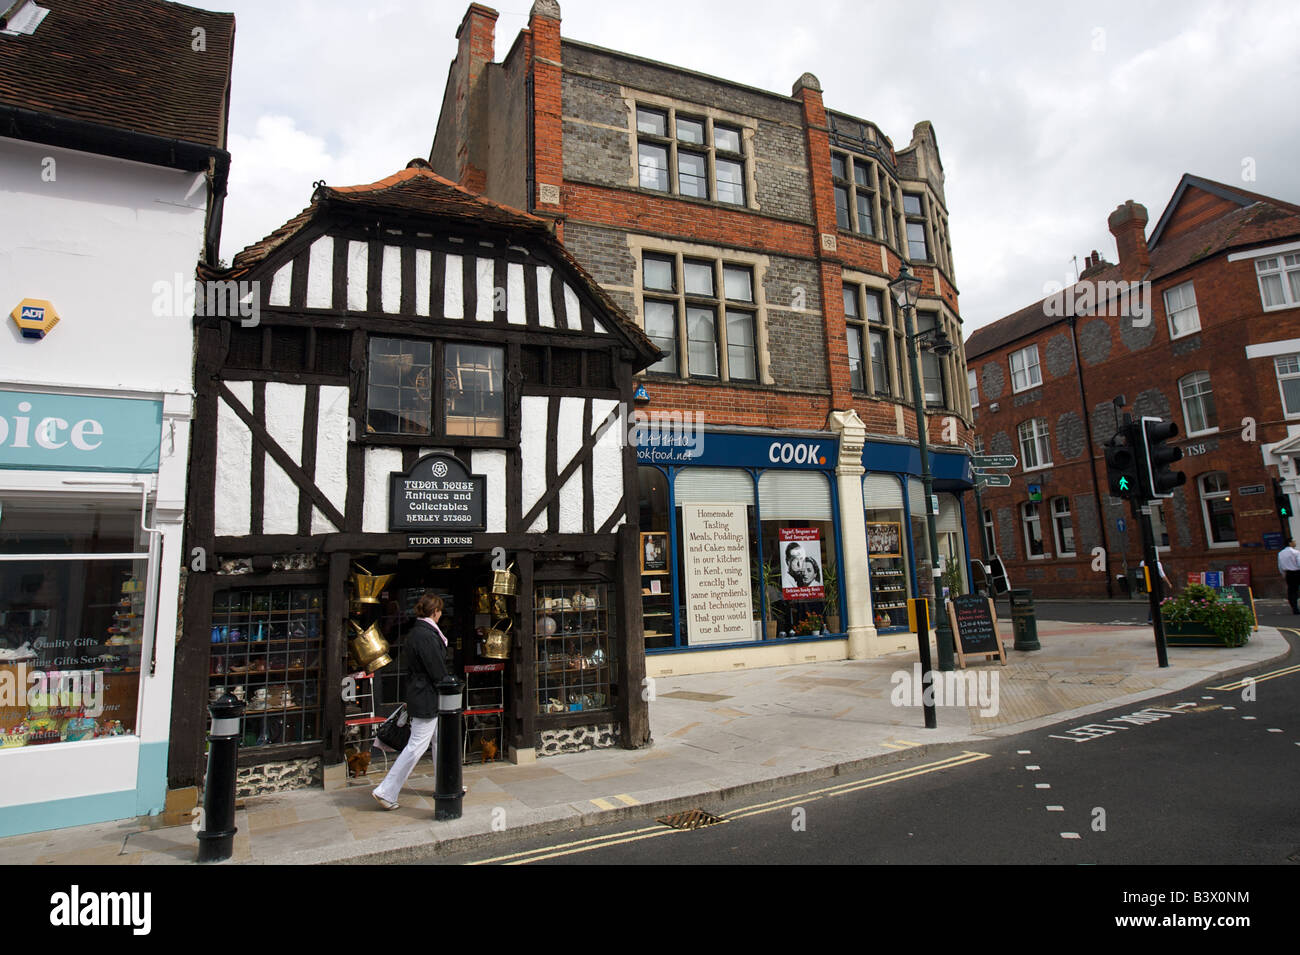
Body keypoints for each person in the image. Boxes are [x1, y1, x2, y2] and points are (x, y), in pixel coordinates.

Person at [372, 592, 450, 811]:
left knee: (439, 742)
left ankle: (446, 783)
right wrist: (448, 684)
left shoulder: (419, 631)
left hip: (424, 694)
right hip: (426, 696)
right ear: (435, 612)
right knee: (416, 746)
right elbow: (435, 669)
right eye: (440, 610)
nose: (441, 614)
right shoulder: (425, 635)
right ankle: (385, 791)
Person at [1139, 558, 1173, 624]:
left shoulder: (1142, 562)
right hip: (1157, 584)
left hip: (1148, 584)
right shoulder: (1157, 563)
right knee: (1161, 600)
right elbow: (1162, 575)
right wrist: (1169, 583)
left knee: (1153, 601)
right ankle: (1161, 617)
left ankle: (1151, 618)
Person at [1278, 539, 1300, 614]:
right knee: (1296, 590)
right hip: (1297, 572)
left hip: (1288, 574)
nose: (1295, 542)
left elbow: (1280, 566)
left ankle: (1294, 608)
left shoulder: (1280, 553)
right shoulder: (1296, 552)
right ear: (1290, 543)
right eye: (1294, 541)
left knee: (1291, 591)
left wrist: (1284, 575)